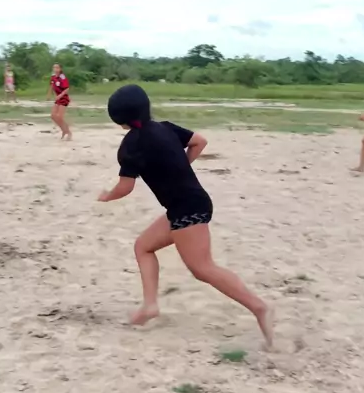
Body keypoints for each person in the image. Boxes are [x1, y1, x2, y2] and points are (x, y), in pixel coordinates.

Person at [97, 84, 273, 347]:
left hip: (187, 209)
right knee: (143, 247)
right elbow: (200, 141)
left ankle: (259, 307)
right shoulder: (165, 127)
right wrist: (180, 165)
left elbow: (125, 187)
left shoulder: (131, 145)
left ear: (119, 119)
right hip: (188, 205)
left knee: (203, 268)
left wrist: (107, 196)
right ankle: (150, 306)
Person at [47, 63, 72, 140]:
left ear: (60, 69)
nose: (55, 69)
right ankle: (64, 130)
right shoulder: (53, 77)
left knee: (60, 117)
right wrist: (49, 94)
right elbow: (51, 86)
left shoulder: (62, 77)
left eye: (57, 68)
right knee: (53, 116)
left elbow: (67, 89)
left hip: (64, 98)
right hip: (58, 99)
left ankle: (68, 132)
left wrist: (60, 95)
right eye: (54, 67)